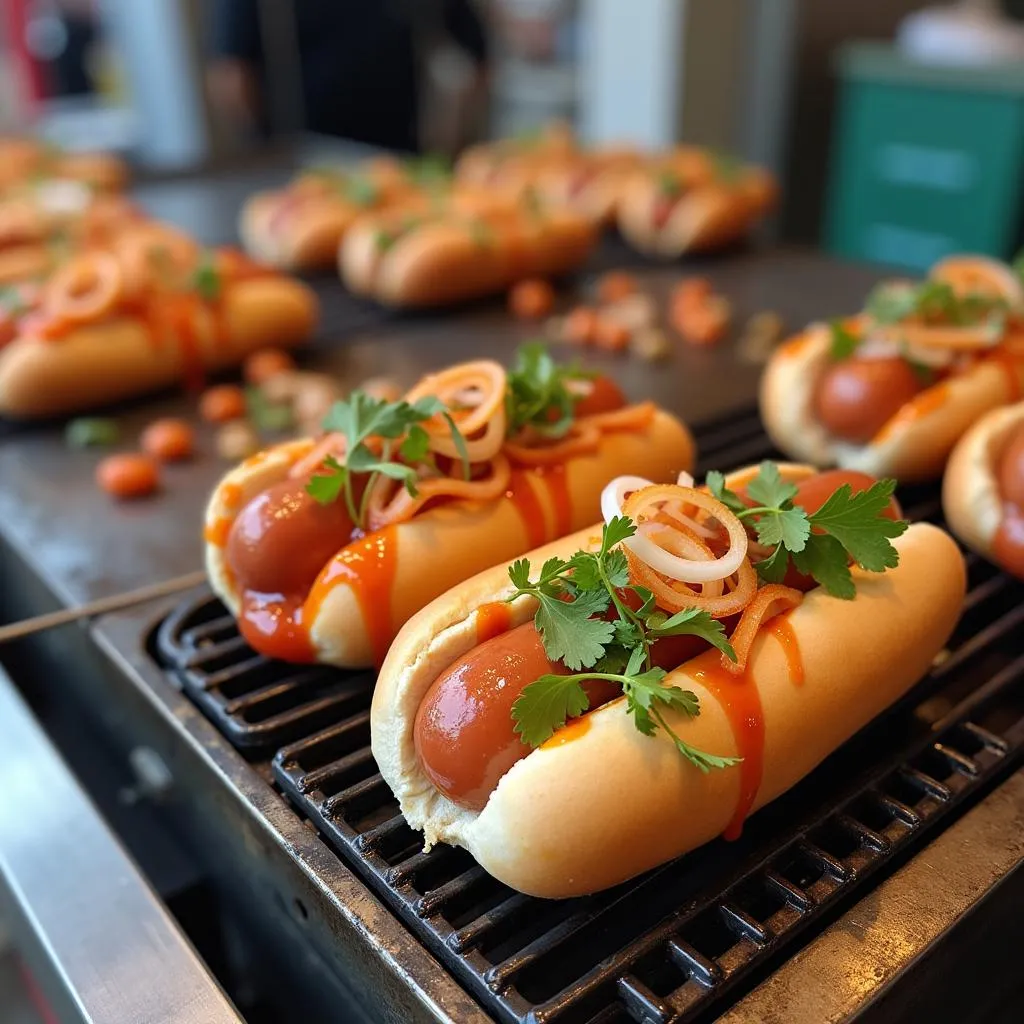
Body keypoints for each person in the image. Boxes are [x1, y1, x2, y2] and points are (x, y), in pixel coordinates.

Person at [207, 0, 490, 153]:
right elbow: (232, 75)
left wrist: (449, 141)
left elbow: (476, 48)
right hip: (303, 163)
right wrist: (265, 149)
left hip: (398, 162)